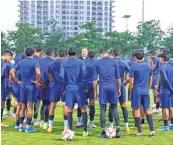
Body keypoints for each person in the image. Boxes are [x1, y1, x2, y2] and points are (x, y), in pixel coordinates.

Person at [10, 47, 41, 133]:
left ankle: (20, 127)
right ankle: (27, 127)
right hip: (31, 85)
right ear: (33, 53)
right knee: (29, 107)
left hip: (22, 85)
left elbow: (11, 72)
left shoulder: (21, 62)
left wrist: (17, 81)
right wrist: (37, 81)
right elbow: (38, 73)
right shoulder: (35, 62)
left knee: (22, 107)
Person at [63, 47, 91, 137]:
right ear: (76, 53)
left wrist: (65, 87)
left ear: (68, 53)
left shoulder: (65, 62)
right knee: (83, 108)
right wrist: (84, 86)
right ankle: (85, 131)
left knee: (69, 109)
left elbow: (61, 76)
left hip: (69, 87)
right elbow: (84, 74)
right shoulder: (81, 62)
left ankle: (71, 131)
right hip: (79, 88)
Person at [93, 49, 121, 138]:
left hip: (103, 87)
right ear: (107, 54)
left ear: (101, 54)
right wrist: (119, 88)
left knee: (102, 108)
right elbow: (118, 77)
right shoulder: (114, 61)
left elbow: (94, 80)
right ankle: (118, 131)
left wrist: (95, 92)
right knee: (114, 107)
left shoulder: (97, 63)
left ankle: (103, 132)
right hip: (113, 86)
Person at [129, 49, 155, 137]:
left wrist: (130, 92)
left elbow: (131, 82)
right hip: (145, 90)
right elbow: (151, 79)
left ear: (135, 57)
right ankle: (152, 131)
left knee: (137, 109)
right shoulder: (148, 66)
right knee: (147, 109)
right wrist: (147, 88)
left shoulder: (133, 66)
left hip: (137, 90)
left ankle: (140, 132)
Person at [109, 49, 130, 132]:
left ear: (112, 54)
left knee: (112, 106)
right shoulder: (123, 62)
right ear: (119, 54)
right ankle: (126, 126)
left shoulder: (110, 62)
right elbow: (129, 70)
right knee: (123, 105)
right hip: (121, 83)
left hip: (112, 84)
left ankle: (111, 125)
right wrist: (126, 79)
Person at [47, 49, 67, 133]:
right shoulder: (67, 63)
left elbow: (50, 76)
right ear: (65, 55)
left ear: (58, 54)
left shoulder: (52, 63)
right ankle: (66, 127)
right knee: (65, 105)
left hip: (54, 85)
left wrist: (52, 82)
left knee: (52, 105)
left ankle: (50, 127)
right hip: (64, 86)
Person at [39, 48, 54, 130]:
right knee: (48, 104)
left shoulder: (40, 61)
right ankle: (45, 122)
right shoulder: (53, 61)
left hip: (41, 84)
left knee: (43, 103)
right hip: (49, 84)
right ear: (52, 53)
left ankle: (41, 121)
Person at [157, 54, 173, 131]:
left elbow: (166, 79)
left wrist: (170, 88)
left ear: (162, 59)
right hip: (170, 89)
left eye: (160, 58)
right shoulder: (171, 66)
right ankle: (172, 124)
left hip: (165, 89)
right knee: (171, 106)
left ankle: (166, 126)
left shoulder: (162, 67)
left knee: (165, 107)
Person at [75, 47, 88, 128]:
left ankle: (86, 120)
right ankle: (79, 120)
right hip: (79, 84)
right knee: (80, 103)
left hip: (86, 84)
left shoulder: (88, 60)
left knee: (86, 103)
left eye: (85, 51)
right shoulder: (78, 60)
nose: (84, 53)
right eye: (83, 51)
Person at [85, 50, 97, 128]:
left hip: (84, 85)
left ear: (87, 56)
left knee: (82, 104)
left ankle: (80, 121)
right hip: (93, 85)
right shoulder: (97, 63)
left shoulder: (84, 62)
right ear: (95, 56)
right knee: (92, 104)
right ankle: (91, 122)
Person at [1, 50, 13, 127]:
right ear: (6, 55)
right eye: (10, 57)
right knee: (1, 102)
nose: (10, 59)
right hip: (2, 84)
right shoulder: (5, 64)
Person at [32, 46, 43, 126]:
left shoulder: (29, 59)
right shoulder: (40, 60)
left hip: (28, 83)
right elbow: (40, 73)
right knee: (37, 101)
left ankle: (25, 119)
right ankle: (35, 119)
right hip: (37, 83)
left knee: (28, 102)